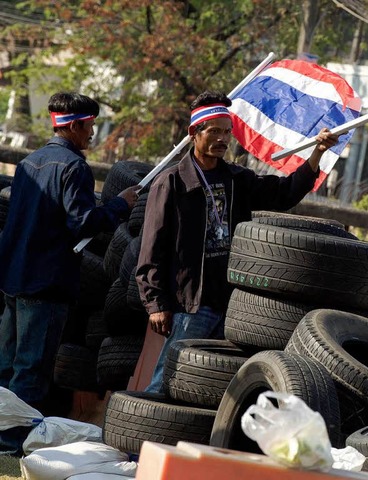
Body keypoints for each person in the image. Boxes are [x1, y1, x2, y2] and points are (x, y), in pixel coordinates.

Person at [136, 90, 340, 393]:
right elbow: (152, 247)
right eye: (214, 131)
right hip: (191, 303)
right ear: (195, 133)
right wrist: (155, 304)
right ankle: (144, 434)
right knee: (168, 381)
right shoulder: (172, 182)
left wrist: (317, 154)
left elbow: (283, 194)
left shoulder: (236, 179)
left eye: (227, 132)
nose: (222, 138)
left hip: (231, 303)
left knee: (210, 388)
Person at [0, 92, 139, 419]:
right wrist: (120, 204)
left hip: (12, 279)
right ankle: (13, 439)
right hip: (45, 284)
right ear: (74, 126)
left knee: (6, 366)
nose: (92, 133)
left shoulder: (28, 162)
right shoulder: (75, 167)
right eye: (90, 125)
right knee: (30, 370)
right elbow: (82, 223)